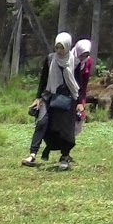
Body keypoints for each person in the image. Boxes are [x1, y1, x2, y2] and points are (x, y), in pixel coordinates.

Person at [24, 33, 82, 172]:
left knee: (65, 129)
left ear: (68, 47)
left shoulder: (75, 62)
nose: (59, 51)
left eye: (62, 48)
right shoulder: (50, 59)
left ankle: (65, 157)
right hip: (49, 96)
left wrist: (80, 102)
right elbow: (43, 79)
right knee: (42, 122)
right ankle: (32, 154)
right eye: (57, 47)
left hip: (67, 99)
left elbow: (79, 84)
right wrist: (38, 97)